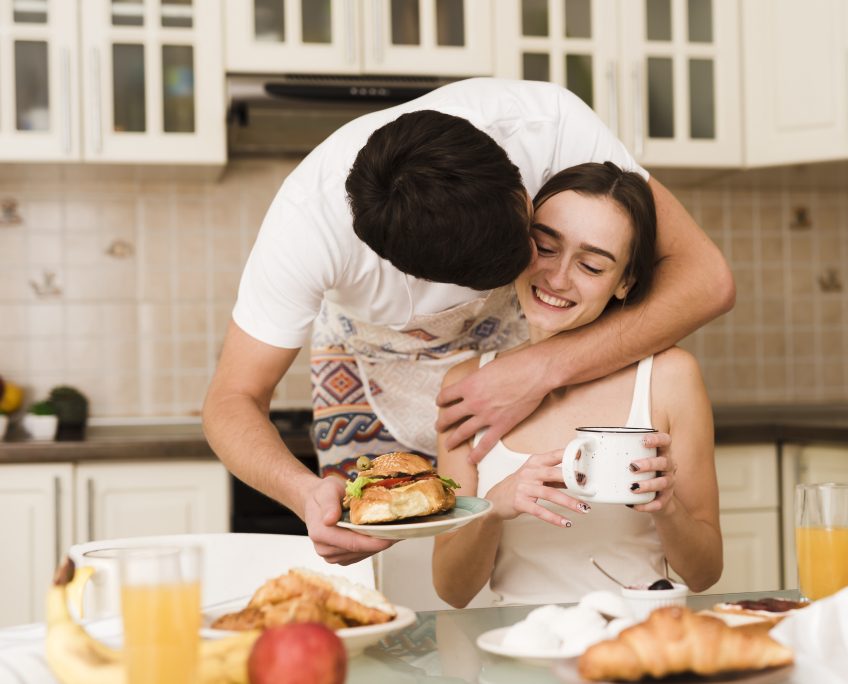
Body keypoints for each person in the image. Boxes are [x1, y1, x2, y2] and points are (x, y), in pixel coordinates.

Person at [203, 78, 734, 567]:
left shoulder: (548, 128)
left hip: (515, 338)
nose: (546, 267)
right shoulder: (306, 230)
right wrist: (301, 492)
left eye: (536, 238)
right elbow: (232, 400)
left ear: (512, 175)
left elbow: (708, 279)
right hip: (369, 361)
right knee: (389, 566)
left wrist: (542, 367)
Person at [432, 162, 722, 607]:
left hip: (635, 649)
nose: (558, 277)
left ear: (625, 281)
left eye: (590, 265)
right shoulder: (469, 384)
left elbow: (704, 573)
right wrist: (494, 506)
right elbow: (451, 590)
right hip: (516, 652)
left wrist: (668, 508)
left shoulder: (668, 377)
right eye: (546, 247)